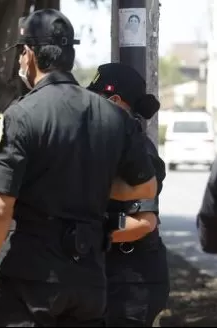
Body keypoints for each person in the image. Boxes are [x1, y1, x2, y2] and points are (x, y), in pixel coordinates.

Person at [0, 9, 157, 327]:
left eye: (21, 53)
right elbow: (145, 188)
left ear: (30, 55)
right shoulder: (114, 117)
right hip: (89, 280)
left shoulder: (21, 116)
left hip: (30, 283)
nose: (21, 61)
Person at [87, 63, 170, 327]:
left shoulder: (139, 154)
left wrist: (84, 236)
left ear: (114, 101)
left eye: (94, 99)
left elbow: (143, 222)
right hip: (109, 278)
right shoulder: (107, 146)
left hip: (133, 284)